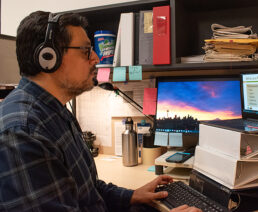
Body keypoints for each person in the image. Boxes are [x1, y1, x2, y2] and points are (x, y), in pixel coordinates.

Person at [0, 11, 201, 212]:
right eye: (86, 50)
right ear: (49, 57)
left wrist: (132, 195)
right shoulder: (23, 132)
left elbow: (88, 192)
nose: (95, 58)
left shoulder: (55, 111)